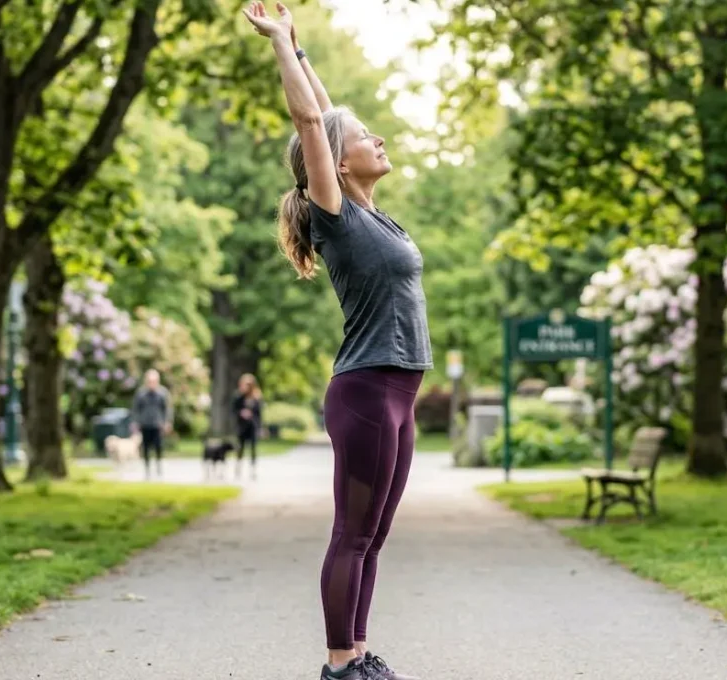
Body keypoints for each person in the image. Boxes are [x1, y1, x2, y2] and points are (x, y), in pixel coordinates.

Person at [243, 5, 433, 679]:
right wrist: (279, 49)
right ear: (336, 160)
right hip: (365, 391)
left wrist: (303, 49)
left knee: (374, 535)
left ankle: (357, 652)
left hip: (400, 391)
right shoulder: (338, 215)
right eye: (364, 136)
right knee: (352, 534)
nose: (377, 139)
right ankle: (337, 665)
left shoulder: (372, 213)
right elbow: (311, 124)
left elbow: (328, 115)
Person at [131, 368, 173, 479]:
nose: (152, 383)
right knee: (145, 448)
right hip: (145, 424)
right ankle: (147, 469)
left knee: (158, 446)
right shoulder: (141, 393)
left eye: (154, 381)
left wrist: (167, 422)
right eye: (150, 381)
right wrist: (135, 422)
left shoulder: (163, 393)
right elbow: (136, 409)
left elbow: (167, 409)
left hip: (158, 424)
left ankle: (159, 467)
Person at [232, 373, 264, 480]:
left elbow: (259, 414)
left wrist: (260, 427)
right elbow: (233, 410)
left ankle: (253, 470)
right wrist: (242, 413)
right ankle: (238, 468)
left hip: (252, 426)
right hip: (242, 426)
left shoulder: (256, 397)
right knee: (240, 448)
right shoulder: (239, 397)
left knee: (253, 449)